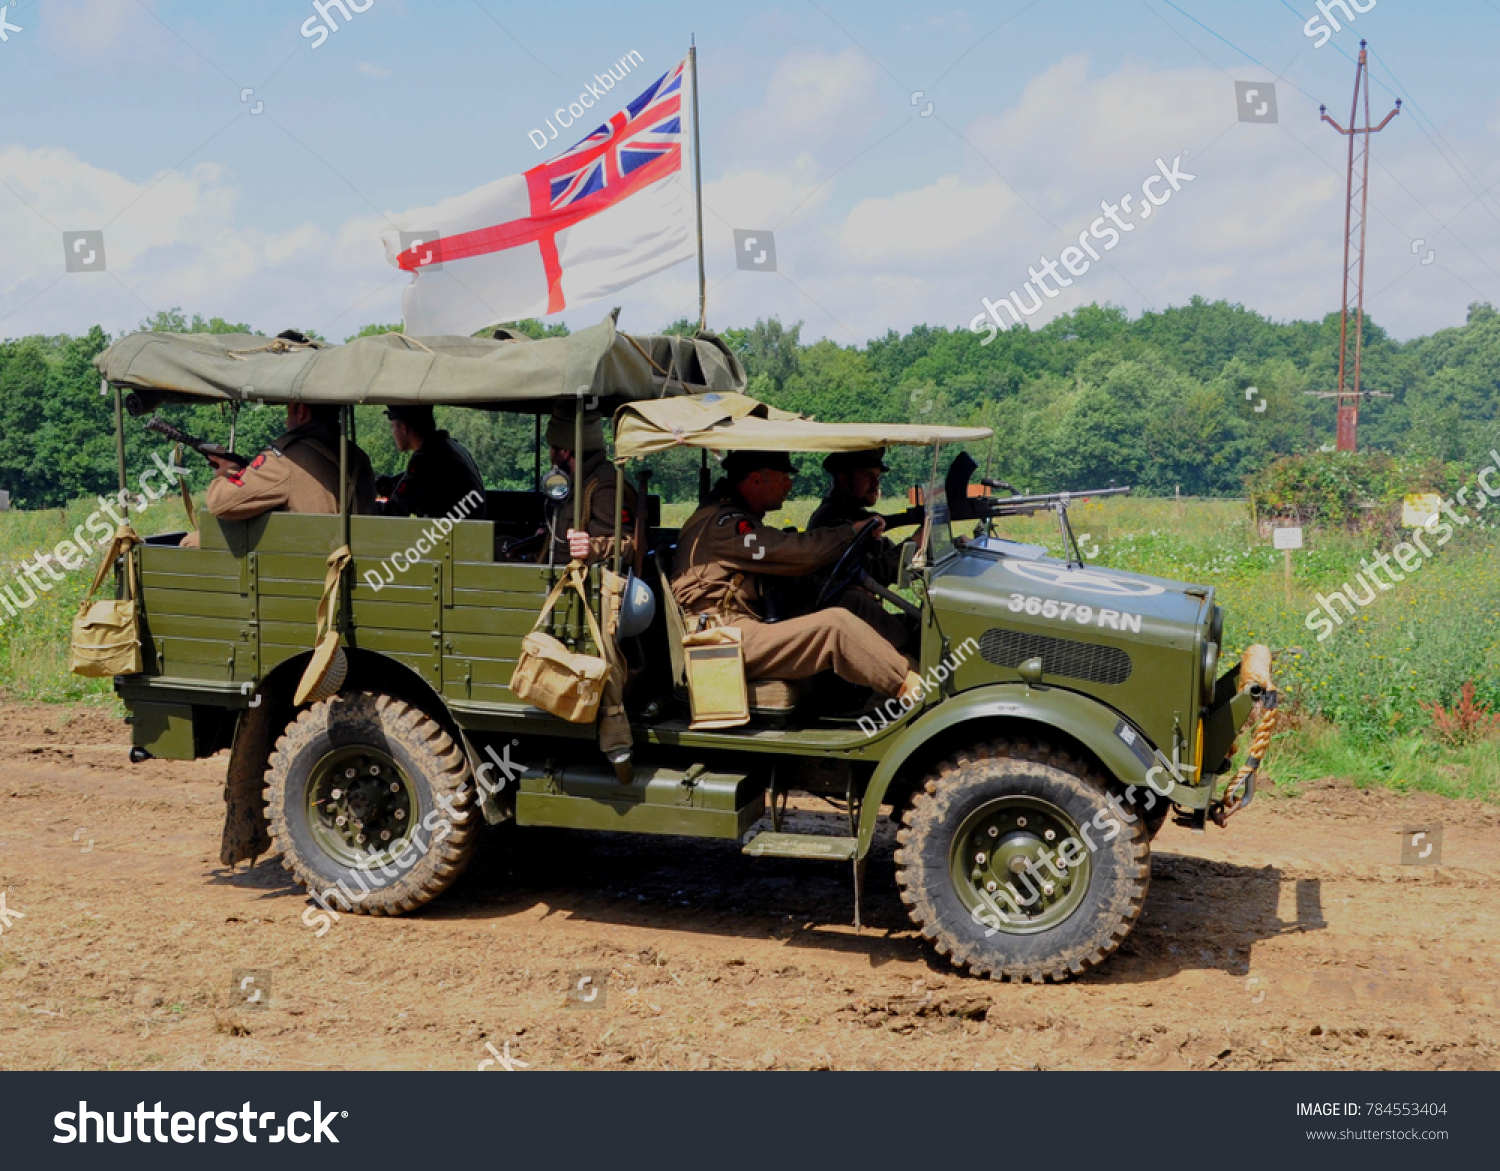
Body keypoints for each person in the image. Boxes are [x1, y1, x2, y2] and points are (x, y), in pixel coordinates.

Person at [671, 450, 921, 701]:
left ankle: (916, 660)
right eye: (783, 478)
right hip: (721, 637)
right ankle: (918, 692)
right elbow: (793, 553)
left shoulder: (737, 519)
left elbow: (783, 576)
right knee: (834, 626)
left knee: (850, 601)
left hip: (742, 624)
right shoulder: (725, 524)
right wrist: (848, 533)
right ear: (757, 479)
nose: (789, 485)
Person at [181, 402, 376, 546]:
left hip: (305, 564)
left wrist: (227, 473)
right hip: (354, 557)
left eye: (288, 411)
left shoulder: (287, 457)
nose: (285, 420)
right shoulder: (358, 456)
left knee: (190, 542)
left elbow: (219, 503)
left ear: (301, 412)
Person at [539, 406, 636, 565]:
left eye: (552, 448)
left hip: (582, 584)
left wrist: (591, 549)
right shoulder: (576, 483)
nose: (550, 455)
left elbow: (632, 546)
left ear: (564, 451)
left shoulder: (601, 487)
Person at [808, 447, 904, 586]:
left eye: (877, 477)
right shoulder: (833, 520)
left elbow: (879, 548)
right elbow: (870, 574)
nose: (875, 484)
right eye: (867, 475)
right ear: (844, 479)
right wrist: (914, 543)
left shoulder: (852, 512)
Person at [376, 405, 487, 521]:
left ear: (404, 428)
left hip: (449, 534)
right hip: (464, 531)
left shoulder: (425, 459)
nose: (392, 433)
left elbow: (393, 511)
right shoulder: (445, 448)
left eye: (392, 427)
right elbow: (412, 484)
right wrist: (385, 485)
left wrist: (366, 506)